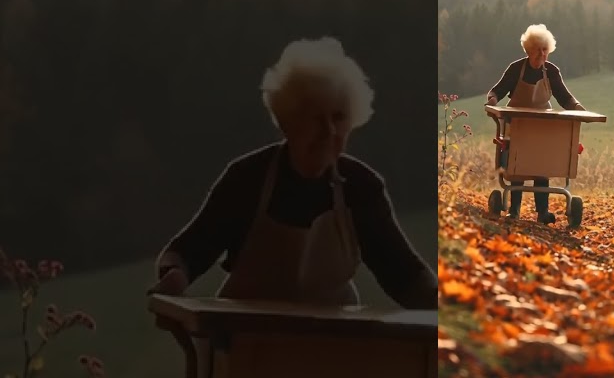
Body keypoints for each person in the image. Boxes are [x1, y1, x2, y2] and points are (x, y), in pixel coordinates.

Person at [146, 37, 437, 310]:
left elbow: (403, 274)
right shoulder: (247, 178)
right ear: (286, 122)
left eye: (338, 117)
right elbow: (190, 250)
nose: (329, 131)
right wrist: (175, 277)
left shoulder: (362, 187)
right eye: (315, 118)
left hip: (335, 338)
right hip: (246, 337)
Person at [486, 24, 585, 224]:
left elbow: (565, 97)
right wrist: (492, 101)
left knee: (542, 164)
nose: (541, 54)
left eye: (545, 49)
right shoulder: (516, 69)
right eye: (537, 49)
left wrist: (578, 108)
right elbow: (496, 91)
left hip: (542, 125)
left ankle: (543, 212)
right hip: (517, 124)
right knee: (517, 165)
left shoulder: (552, 71)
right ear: (528, 50)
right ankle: (514, 210)